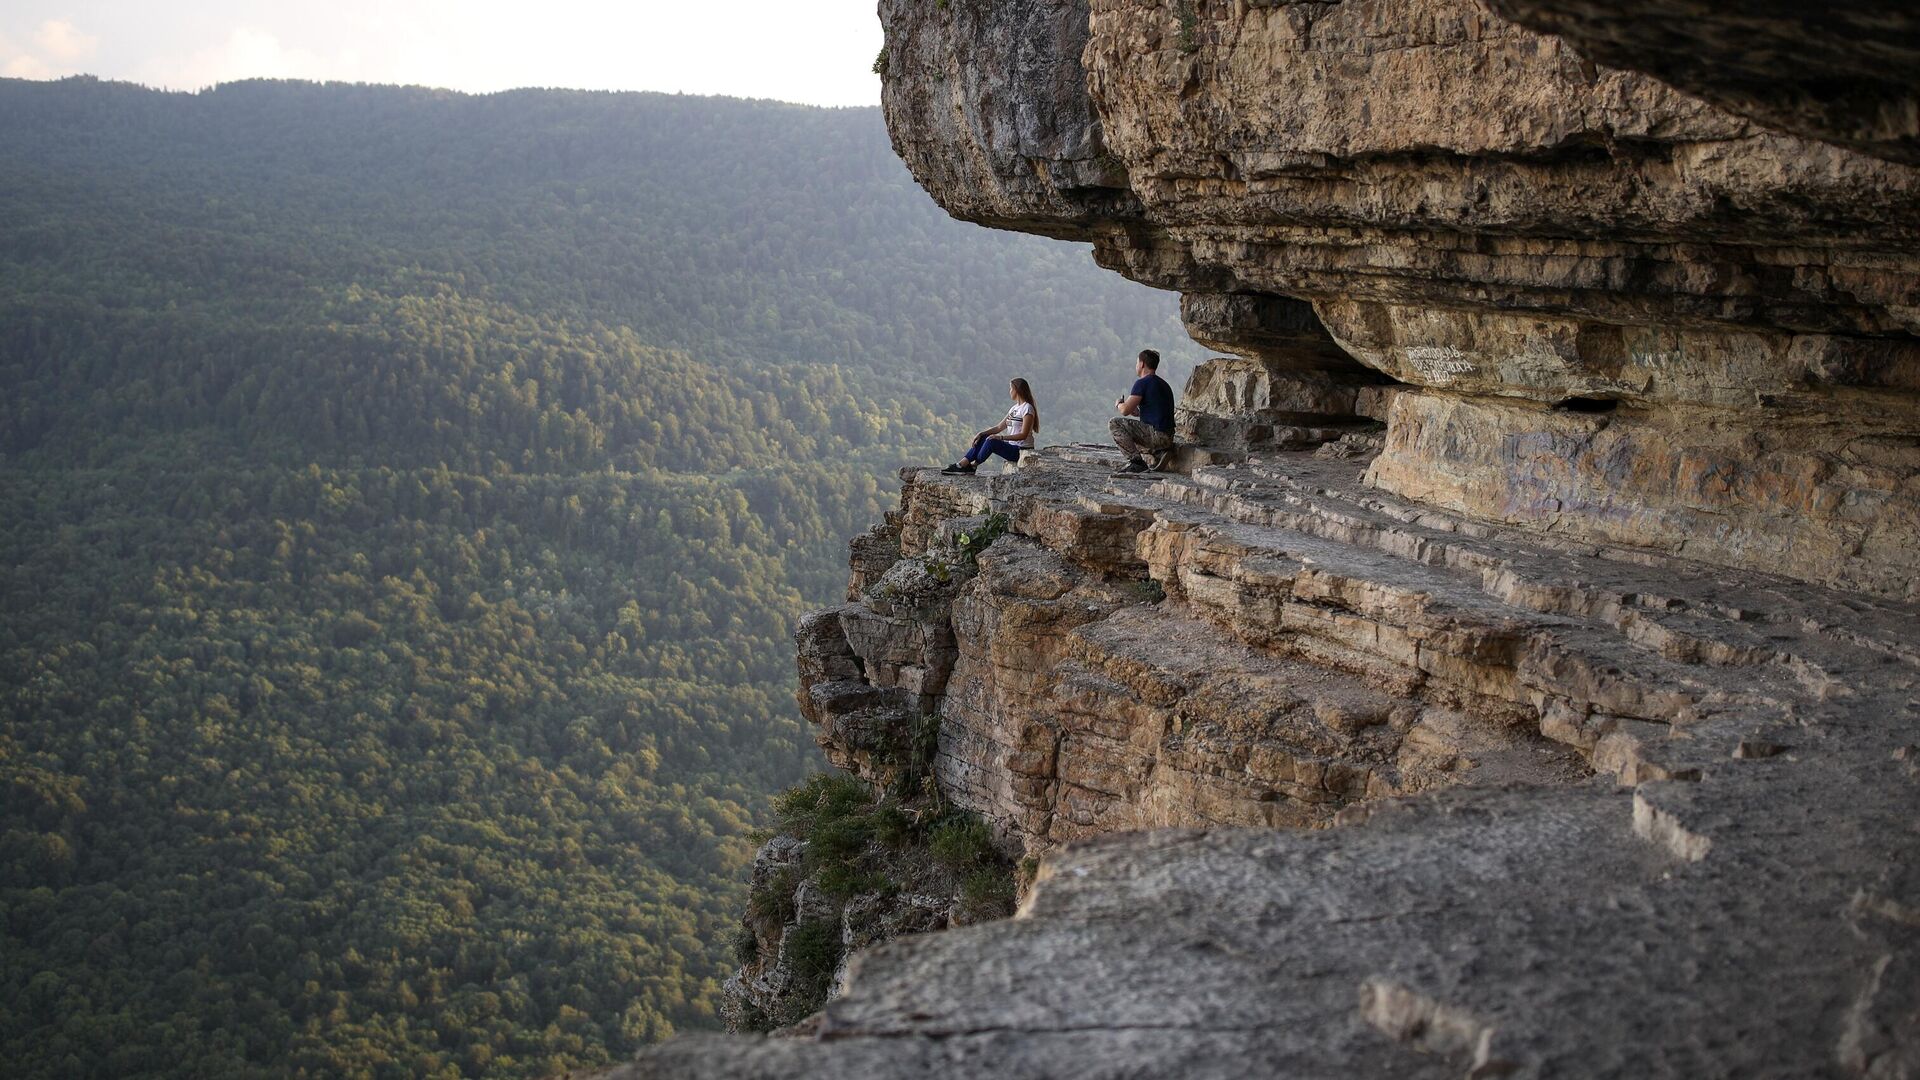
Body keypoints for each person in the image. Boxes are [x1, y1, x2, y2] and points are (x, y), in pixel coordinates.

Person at [943, 378, 1039, 474]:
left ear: (1017, 390)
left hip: (1021, 451)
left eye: (1011, 389)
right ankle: (963, 464)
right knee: (984, 437)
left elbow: (1023, 435)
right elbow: (999, 427)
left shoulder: (1027, 408)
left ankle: (971, 466)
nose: (1009, 391)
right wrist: (981, 433)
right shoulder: (1014, 408)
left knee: (992, 442)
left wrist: (1000, 437)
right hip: (1012, 447)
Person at [1110, 348, 1175, 473]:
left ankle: (1137, 463)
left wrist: (1119, 404)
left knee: (1115, 423)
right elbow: (1159, 411)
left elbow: (1125, 410)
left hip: (1156, 435)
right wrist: (1138, 413)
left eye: (1137, 363)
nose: (1136, 366)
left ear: (1142, 364)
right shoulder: (1164, 385)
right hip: (1168, 437)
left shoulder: (1142, 383)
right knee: (1134, 435)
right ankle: (1159, 452)